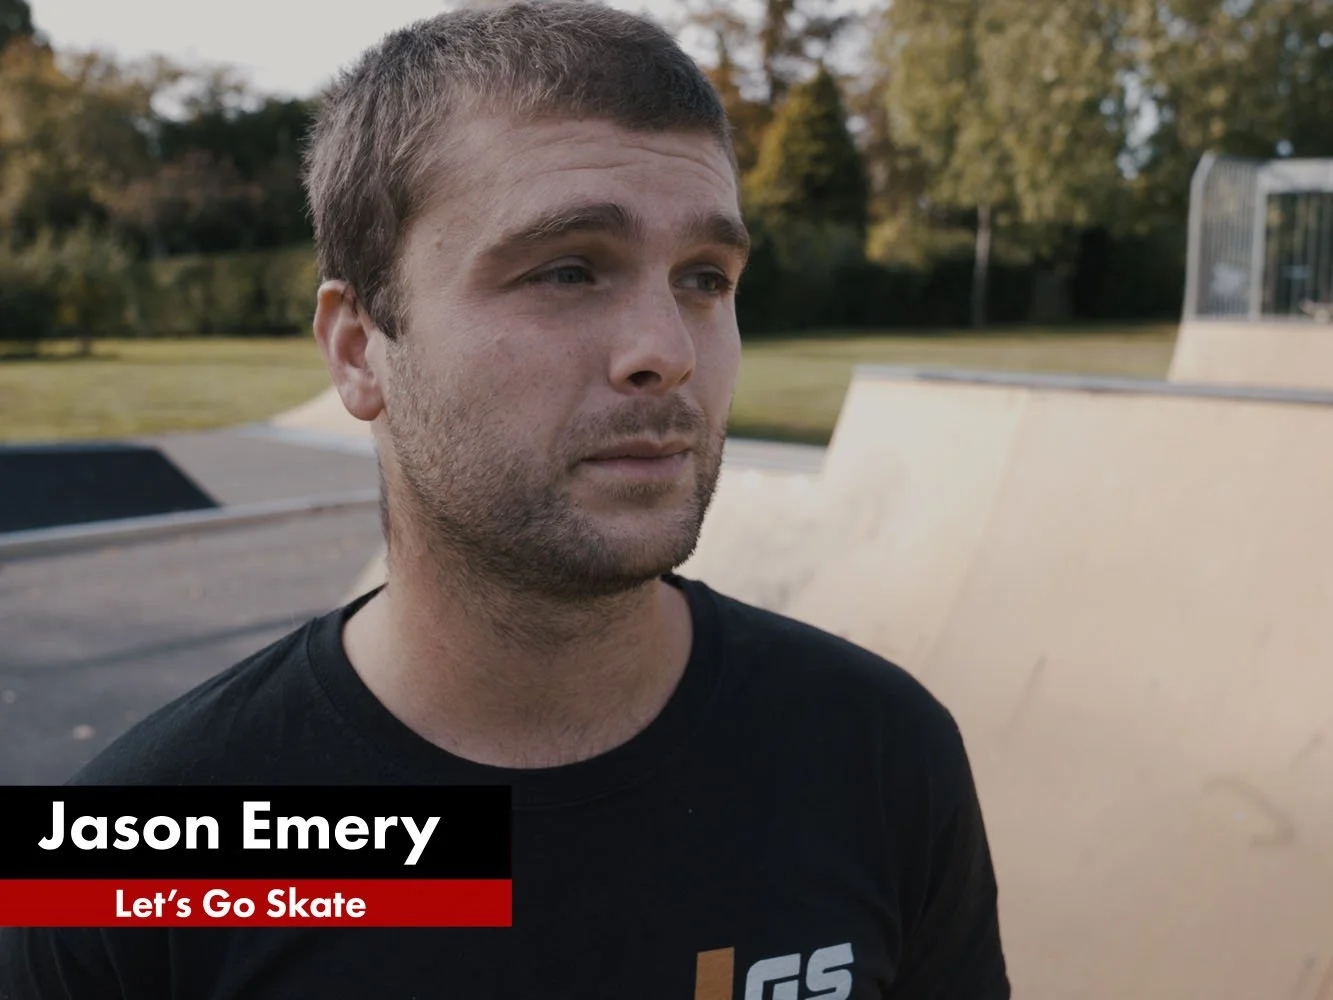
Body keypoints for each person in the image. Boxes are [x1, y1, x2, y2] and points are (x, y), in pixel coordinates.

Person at [0, 3, 1010, 997]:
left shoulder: (874, 753)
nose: (665, 350)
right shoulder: (153, 849)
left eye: (705, 278)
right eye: (567, 270)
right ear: (358, 349)